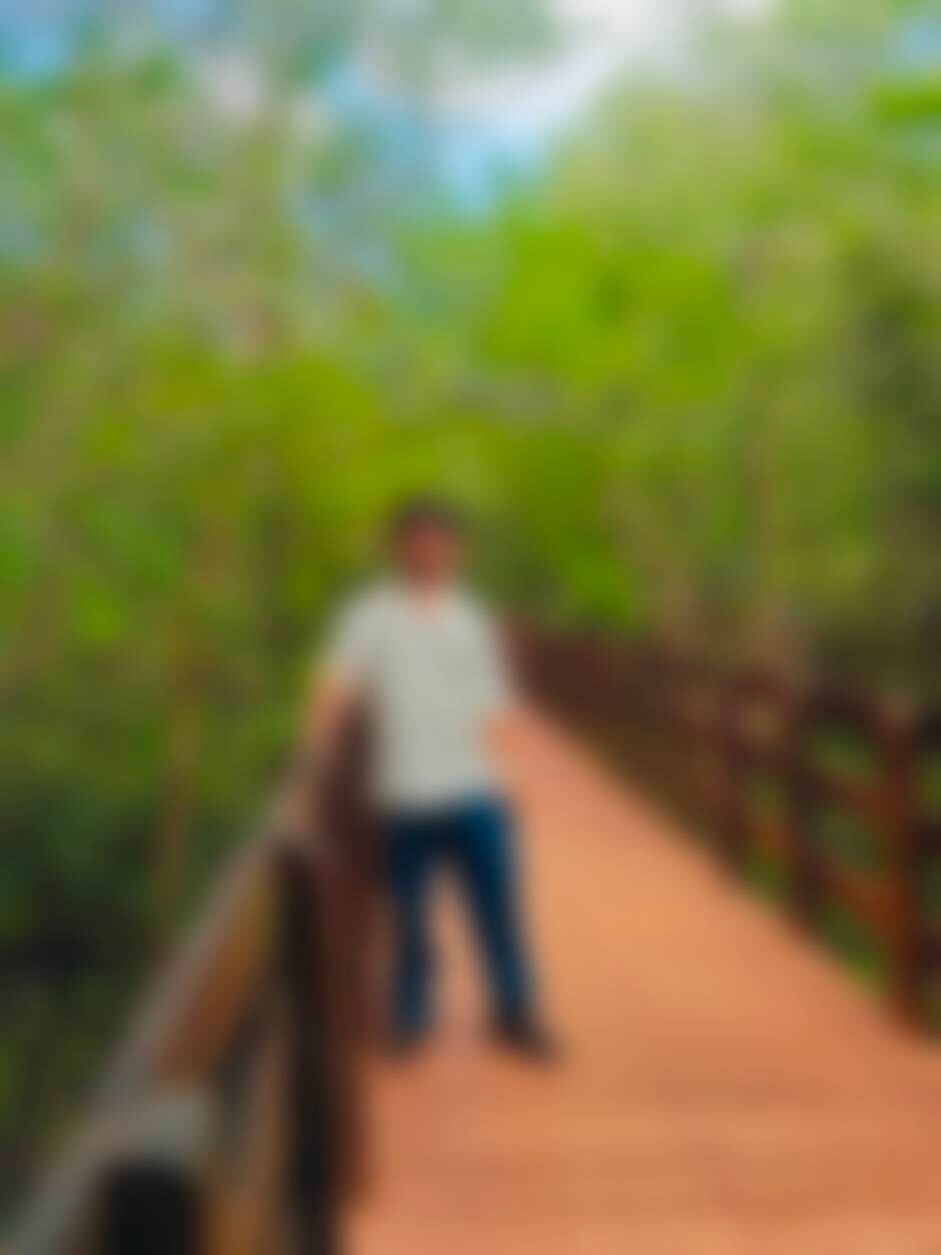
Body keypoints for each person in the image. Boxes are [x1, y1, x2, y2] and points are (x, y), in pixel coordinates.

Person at [309, 497, 555, 1061]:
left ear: (456, 551)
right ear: (397, 550)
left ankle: (514, 1012)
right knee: (410, 916)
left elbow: (495, 706)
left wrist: (513, 778)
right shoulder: (372, 615)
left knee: (499, 911)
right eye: (418, 543)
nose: (429, 553)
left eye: (439, 543)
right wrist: (316, 748)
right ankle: (411, 1014)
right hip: (404, 794)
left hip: (476, 791)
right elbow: (337, 680)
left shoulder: (471, 617)